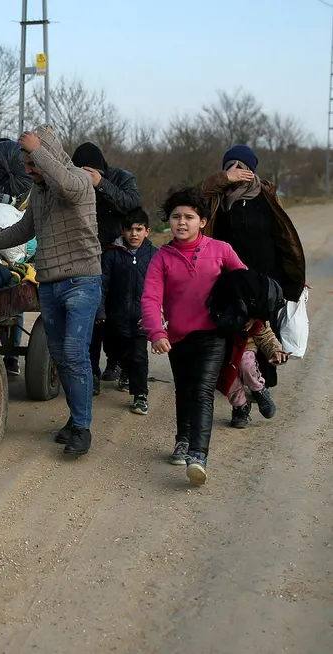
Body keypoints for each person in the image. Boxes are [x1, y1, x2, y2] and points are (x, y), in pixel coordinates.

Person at [0, 125, 101, 456]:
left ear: (49, 156)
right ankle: (76, 419)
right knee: (60, 355)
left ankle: (83, 430)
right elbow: (24, 228)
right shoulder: (40, 193)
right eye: (26, 166)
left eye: (33, 165)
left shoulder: (79, 180)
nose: (29, 172)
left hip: (82, 281)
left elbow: (69, 188)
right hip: (51, 283)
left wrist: (38, 151)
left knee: (73, 353)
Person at [141, 186, 246, 484]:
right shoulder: (162, 257)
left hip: (213, 335)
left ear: (202, 221)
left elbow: (244, 281)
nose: (182, 222)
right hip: (177, 338)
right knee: (184, 390)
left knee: (202, 391)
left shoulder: (221, 250)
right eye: (176, 217)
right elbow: (150, 298)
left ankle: (198, 456)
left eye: (189, 216)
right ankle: (182, 439)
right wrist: (156, 332)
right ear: (169, 222)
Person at [201, 145, 307, 389]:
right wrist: (223, 180)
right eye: (230, 166)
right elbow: (194, 195)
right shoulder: (217, 198)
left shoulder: (266, 196)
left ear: (252, 170)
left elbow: (284, 238)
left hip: (266, 277)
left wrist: (294, 276)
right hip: (231, 277)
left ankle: (262, 385)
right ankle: (237, 391)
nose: (237, 171)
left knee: (263, 330)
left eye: (242, 166)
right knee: (234, 330)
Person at [71, 142, 142, 391]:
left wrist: (101, 184)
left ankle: (119, 362)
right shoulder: (73, 179)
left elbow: (132, 205)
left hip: (120, 253)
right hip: (88, 254)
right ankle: (92, 372)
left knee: (120, 315)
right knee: (92, 317)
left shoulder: (121, 178)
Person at [205, 268, 287, 429]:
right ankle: (241, 407)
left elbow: (266, 335)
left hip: (245, 346)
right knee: (230, 382)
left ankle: (259, 389)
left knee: (246, 365)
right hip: (222, 349)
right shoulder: (216, 310)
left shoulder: (255, 316)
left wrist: (275, 351)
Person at [0, 137, 35, 374]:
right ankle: (10, 357)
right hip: (11, 251)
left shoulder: (29, 190)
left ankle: (10, 357)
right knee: (13, 306)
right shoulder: (27, 189)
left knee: (11, 305)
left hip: (5, 249)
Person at [97, 208, 158, 416]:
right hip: (116, 315)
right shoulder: (111, 254)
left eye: (139, 229)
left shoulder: (155, 255)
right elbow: (103, 284)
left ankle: (140, 395)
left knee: (139, 356)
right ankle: (125, 369)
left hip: (142, 317)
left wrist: (157, 315)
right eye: (130, 229)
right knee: (116, 350)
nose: (134, 234)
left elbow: (162, 286)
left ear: (147, 231)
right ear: (122, 231)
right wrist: (101, 310)